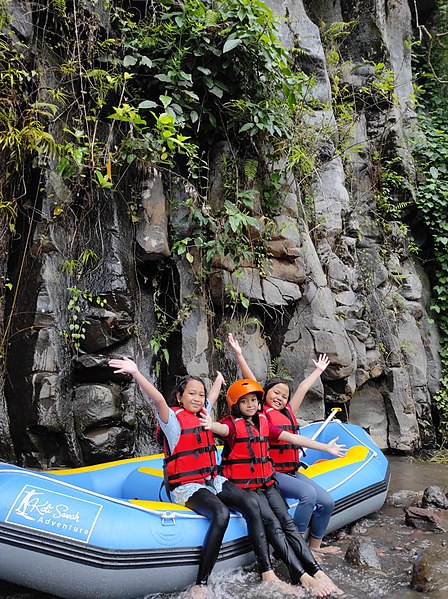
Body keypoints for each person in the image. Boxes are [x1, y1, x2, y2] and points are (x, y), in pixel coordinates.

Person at [108, 357, 290, 599]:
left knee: (252, 503)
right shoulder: (172, 422)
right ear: (180, 397)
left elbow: (211, 398)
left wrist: (218, 382)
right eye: (191, 394)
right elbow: (158, 399)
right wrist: (136, 373)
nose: (197, 398)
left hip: (212, 480)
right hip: (187, 486)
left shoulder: (205, 413)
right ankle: (201, 583)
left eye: (200, 394)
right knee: (221, 513)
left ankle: (267, 572)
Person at [202, 377, 345, 597]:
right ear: (235, 405)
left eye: (253, 400)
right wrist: (209, 424)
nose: (250, 405)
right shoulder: (231, 425)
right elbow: (219, 428)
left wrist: (325, 447)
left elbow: (294, 439)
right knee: (272, 523)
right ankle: (301, 575)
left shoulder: (264, 423)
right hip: (246, 487)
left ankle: (317, 572)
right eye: (245, 401)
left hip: (267, 483)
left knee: (287, 522)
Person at [228, 333, 339, 556]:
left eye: (283, 395)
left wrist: (317, 371)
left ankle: (314, 546)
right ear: (264, 395)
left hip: (292, 470)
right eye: (275, 393)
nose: (280, 397)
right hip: (272, 473)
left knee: (326, 501)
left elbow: (302, 390)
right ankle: (296, 545)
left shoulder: (288, 411)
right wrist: (240, 355)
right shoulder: (261, 414)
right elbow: (250, 380)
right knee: (308, 494)